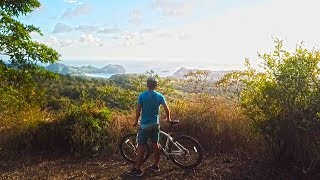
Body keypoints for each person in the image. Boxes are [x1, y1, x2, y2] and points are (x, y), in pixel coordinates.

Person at [126, 76, 171, 177]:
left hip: (145, 125)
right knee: (156, 145)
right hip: (155, 124)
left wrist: (135, 121)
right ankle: (156, 165)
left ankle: (137, 169)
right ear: (156, 85)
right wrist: (168, 119)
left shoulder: (142, 96)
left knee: (141, 147)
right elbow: (167, 109)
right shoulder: (160, 96)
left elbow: (138, 110)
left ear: (147, 85)